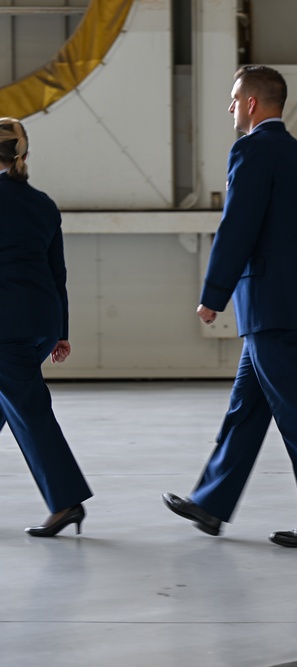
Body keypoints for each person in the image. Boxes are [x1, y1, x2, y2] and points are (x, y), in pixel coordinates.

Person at [162, 65, 297, 546]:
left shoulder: (251, 150)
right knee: (245, 411)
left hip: (268, 307)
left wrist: (212, 295)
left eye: (233, 99)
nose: (229, 107)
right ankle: (211, 503)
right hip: (286, 307)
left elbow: (237, 227)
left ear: (251, 103)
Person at [0, 118, 93, 537]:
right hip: (41, 320)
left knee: (30, 409)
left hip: (6, 325)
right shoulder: (42, 204)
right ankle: (64, 500)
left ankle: (65, 500)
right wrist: (62, 331)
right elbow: (58, 273)